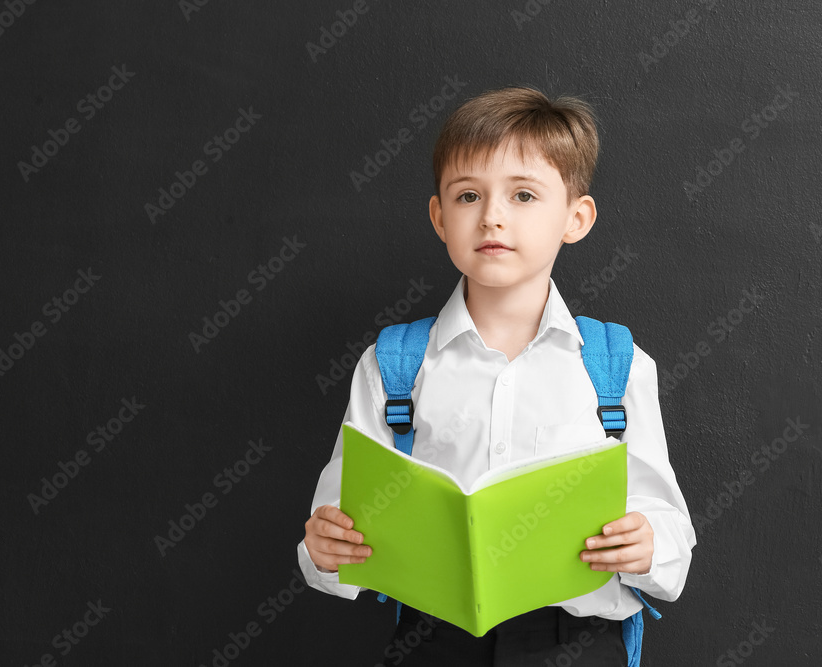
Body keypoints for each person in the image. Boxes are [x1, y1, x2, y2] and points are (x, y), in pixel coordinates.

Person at [298, 85, 696, 666]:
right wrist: (325, 547)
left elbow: (672, 539)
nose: (492, 216)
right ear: (439, 216)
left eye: (524, 194)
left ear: (576, 218)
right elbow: (335, 531)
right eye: (467, 195)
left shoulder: (615, 364)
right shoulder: (393, 365)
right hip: (433, 643)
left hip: (576, 644)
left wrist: (647, 544)